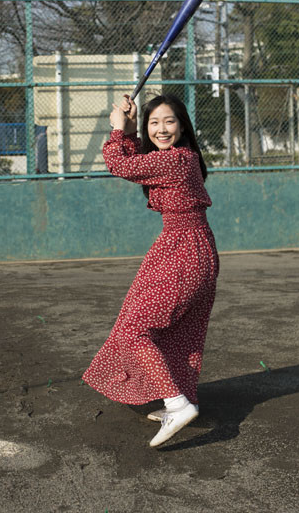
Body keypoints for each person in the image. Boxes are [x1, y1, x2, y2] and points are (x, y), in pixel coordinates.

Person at [82, 93, 219, 447]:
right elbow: (137, 160)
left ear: (182, 126)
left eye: (169, 121)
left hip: (184, 251)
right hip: (185, 246)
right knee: (181, 331)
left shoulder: (176, 161)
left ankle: (177, 404)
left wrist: (116, 131)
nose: (161, 129)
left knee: (136, 330)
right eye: (154, 122)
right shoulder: (178, 159)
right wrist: (128, 131)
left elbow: (122, 165)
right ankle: (183, 398)